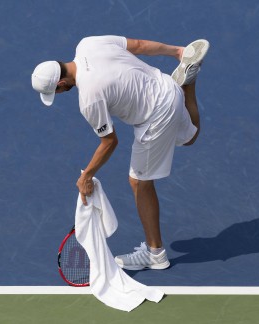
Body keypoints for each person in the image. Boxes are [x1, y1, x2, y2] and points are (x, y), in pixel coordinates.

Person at [31, 35, 209, 270]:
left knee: (139, 182)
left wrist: (86, 176)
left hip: (155, 117)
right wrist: (177, 51)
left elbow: (109, 142)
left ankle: (156, 255)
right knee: (189, 138)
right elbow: (140, 46)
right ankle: (187, 82)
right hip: (166, 88)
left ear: (61, 84)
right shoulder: (88, 44)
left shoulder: (89, 98)